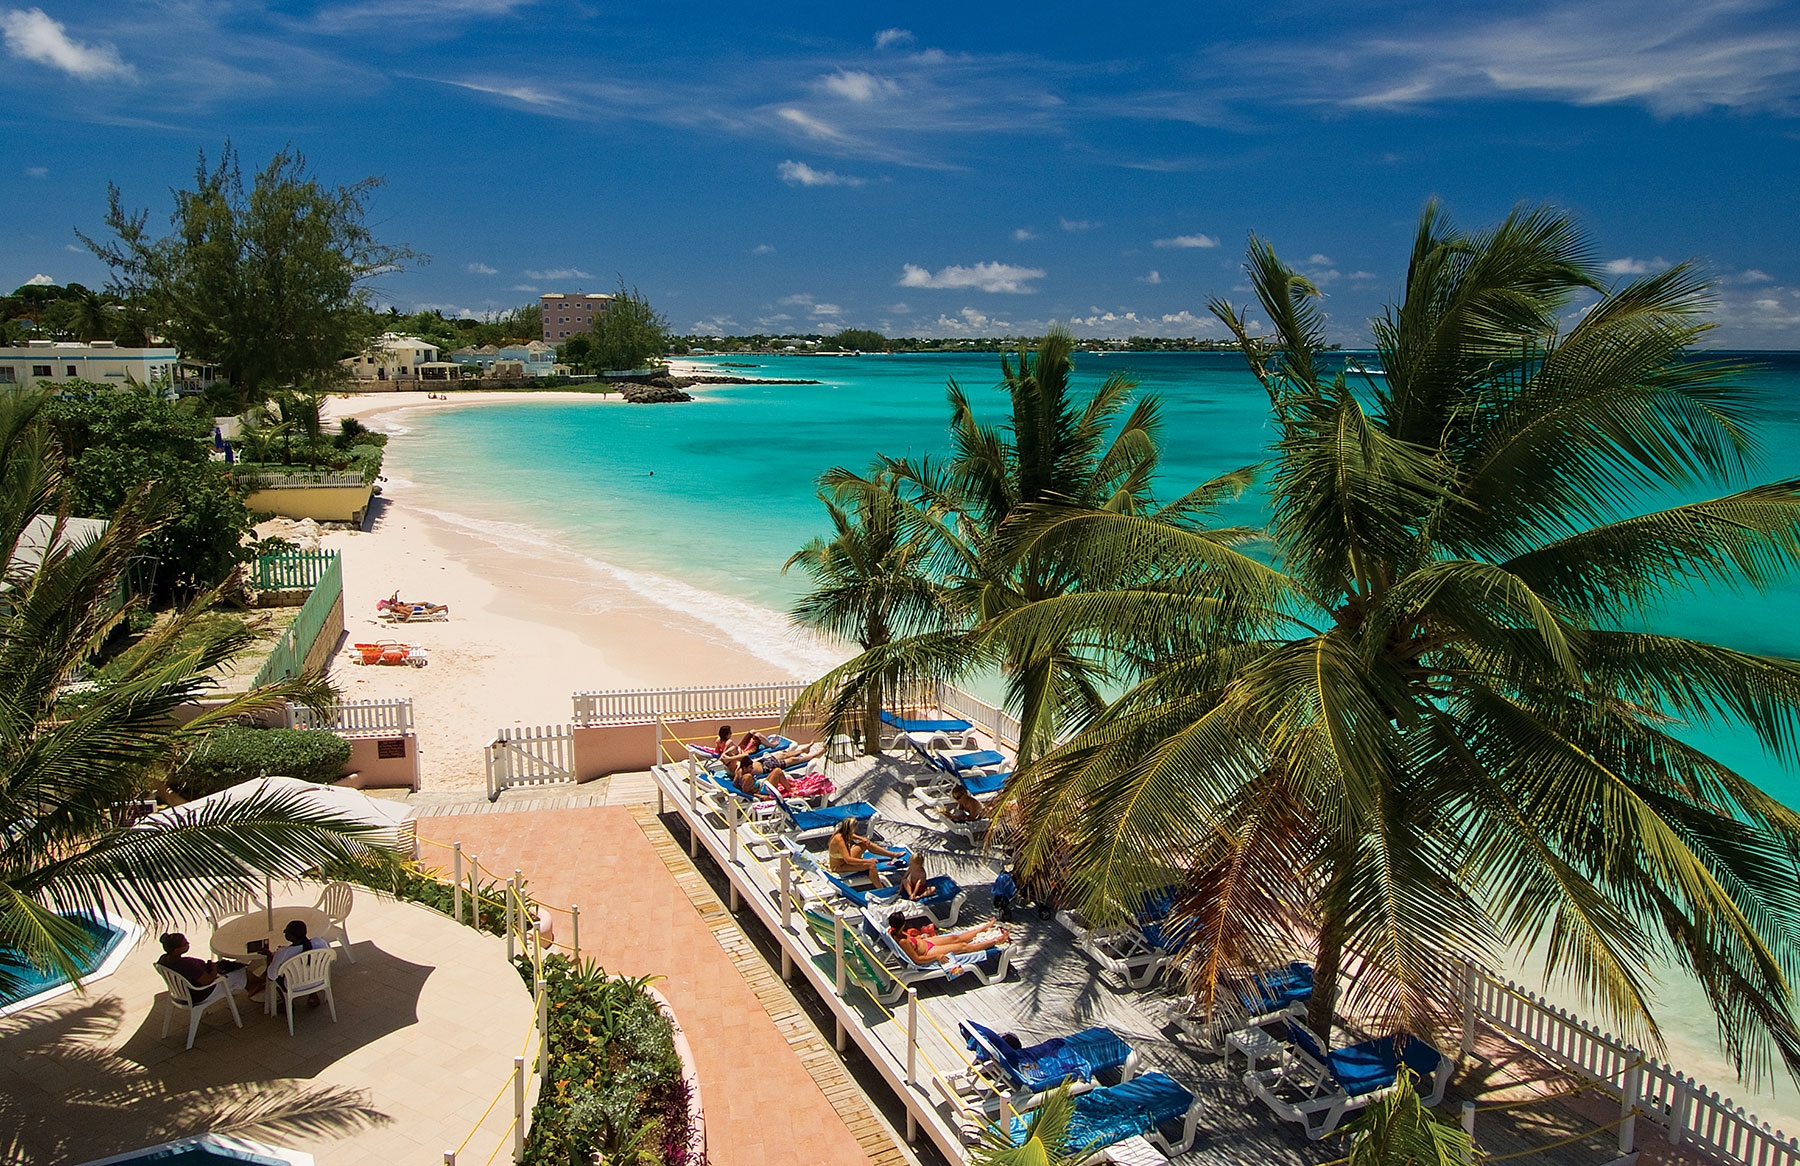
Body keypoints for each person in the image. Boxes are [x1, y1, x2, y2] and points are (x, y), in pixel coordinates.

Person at [157, 932, 264, 999]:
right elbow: (207, 980)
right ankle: (260, 982)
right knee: (240, 970)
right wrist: (213, 968)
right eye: (185, 944)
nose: (188, 944)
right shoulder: (187, 965)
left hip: (186, 990)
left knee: (231, 967)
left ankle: (254, 985)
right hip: (201, 992)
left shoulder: (163, 959)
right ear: (176, 950)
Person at [886, 912, 1008, 964]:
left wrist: (921, 936)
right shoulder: (902, 941)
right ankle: (996, 941)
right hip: (928, 951)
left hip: (925, 942)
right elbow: (917, 959)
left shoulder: (892, 930)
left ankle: (983, 928)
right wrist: (936, 956)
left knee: (955, 938)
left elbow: (912, 938)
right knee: (963, 946)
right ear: (901, 924)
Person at [267, 919, 330, 1008]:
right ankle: (313, 996)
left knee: (277, 975)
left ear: (292, 937)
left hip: (293, 987)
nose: (285, 934)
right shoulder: (319, 942)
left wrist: (269, 956)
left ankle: (288, 1004)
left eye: (286, 933)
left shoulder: (283, 953)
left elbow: (271, 976)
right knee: (309, 969)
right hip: (318, 980)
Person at [829, 818, 900, 888]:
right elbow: (848, 860)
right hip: (839, 867)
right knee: (871, 865)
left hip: (845, 861)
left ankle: (892, 855)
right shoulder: (840, 840)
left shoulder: (841, 832)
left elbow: (850, 835)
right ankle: (880, 888)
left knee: (865, 844)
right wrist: (868, 861)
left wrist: (862, 839)